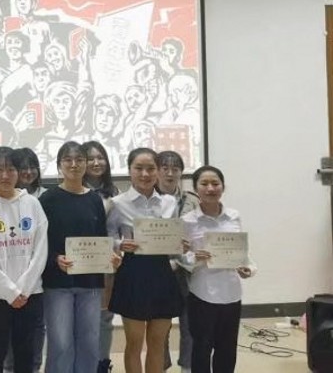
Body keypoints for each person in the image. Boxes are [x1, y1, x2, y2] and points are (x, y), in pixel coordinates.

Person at [40, 141, 118, 373]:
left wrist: (110, 257)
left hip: (91, 282)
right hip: (58, 282)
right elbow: (40, 242)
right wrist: (55, 259)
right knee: (61, 343)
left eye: (79, 160)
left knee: (89, 342)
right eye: (68, 160)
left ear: (85, 164)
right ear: (59, 165)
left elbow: (101, 238)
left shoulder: (94, 199)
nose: (74, 165)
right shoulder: (48, 199)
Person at [0, 146, 48, 373]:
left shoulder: (32, 203)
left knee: (26, 350)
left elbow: (40, 249)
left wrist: (23, 288)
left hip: (30, 293)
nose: (5, 175)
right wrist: (10, 291)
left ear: (18, 173)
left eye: (11, 169)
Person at [107, 148, 184, 373]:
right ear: (129, 170)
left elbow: (174, 237)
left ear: (158, 171)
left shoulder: (169, 202)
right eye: (138, 168)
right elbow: (108, 238)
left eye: (150, 168)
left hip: (162, 273)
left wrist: (180, 244)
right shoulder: (117, 203)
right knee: (134, 342)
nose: (145, 174)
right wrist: (120, 244)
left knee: (157, 342)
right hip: (133, 274)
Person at [180, 165, 255, 373]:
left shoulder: (234, 216)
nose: (210, 188)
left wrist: (249, 269)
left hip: (231, 293)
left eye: (215, 183)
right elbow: (182, 257)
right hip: (202, 294)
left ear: (223, 187)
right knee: (201, 348)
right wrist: (194, 258)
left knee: (227, 348)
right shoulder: (187, 221)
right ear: (196, 188)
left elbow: (243, 252)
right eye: (204, 184)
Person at [2, 147, 46, 373]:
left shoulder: (46, 196)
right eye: (22, 167)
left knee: (37, 330)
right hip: (9, 279)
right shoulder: (0, 200)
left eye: (33, 167)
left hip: (40, 277)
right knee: (10, 333)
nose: (28, 172)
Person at [155, 150, 199, 373]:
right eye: (165, 168)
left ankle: (187, 367)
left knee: (189, 322)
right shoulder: (147, 199)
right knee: (159, 324)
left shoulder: (193, 200)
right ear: (157, 171)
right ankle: (160, 365)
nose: (170, 173)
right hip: (157, 269)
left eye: (175, 169)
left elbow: (199, 234)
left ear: (182, 172)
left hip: (186, 269)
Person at [81, 140, 120, 373]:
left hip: (107, 262)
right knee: (81, 317)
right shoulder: (72, 189)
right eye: (90, 158)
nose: (96, 163)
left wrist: (117, 249)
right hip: (79, 261)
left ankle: (102, 363)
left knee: (104, 317)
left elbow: (116, 230)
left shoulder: (114, 193)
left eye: (100, 157)